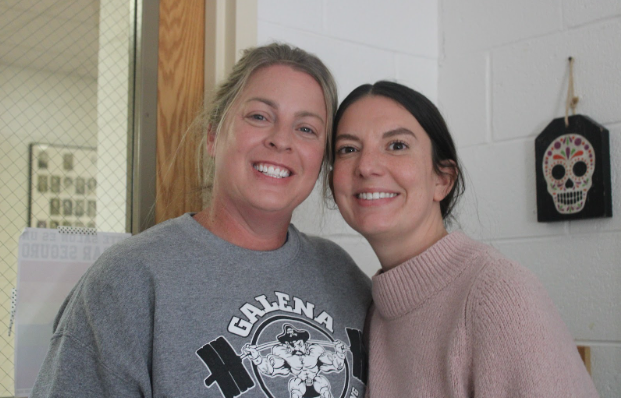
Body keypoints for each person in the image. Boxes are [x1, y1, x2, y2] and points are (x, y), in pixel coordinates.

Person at [31, 43, 371, 398]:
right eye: (259, 116)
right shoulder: (130, 278)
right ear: (213, 135)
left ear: (321, 159)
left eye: (306, 129)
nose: (281, 140)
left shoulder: (343, 276)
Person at [329, 81, 599, 397]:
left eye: (397, 145)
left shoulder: (498, 293)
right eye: (348, 149)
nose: (366, 166)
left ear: (442, 180)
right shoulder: (373, 310)